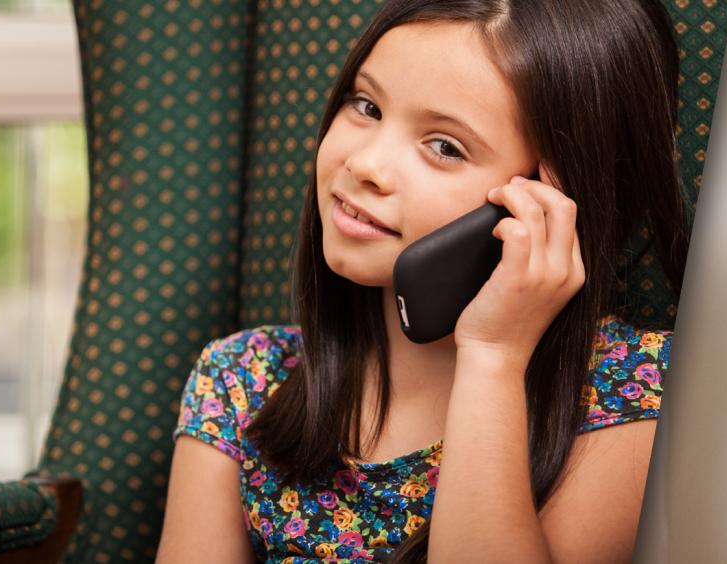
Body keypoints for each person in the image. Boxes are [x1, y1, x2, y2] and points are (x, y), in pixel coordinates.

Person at [156, 0, 688, 561]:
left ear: (548, 197)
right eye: (366, 105)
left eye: (444, 147)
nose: (365, 164)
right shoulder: (242, 379)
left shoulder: (635, 387)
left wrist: (492, 357)